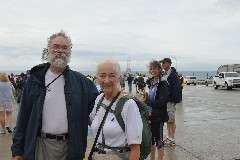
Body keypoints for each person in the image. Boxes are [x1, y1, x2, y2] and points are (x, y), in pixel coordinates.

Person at [11, 30, 99, 160]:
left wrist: (118, 96)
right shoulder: (35, 80)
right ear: (49, 49)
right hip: (41, 144)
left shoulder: (81, 82)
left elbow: (99, 107)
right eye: (56, 46)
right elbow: (23, 116)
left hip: (71, 146)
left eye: (65, 47)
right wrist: (17, 149)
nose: (60, 51)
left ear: (69, 52)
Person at [90, 59, 143, 160]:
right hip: (97, 154)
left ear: (119, 78)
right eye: (102, 75)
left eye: (111, 75)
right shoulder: (99, 99)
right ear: (97, 78)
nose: (106, 80)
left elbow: (135, 149)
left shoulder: (128, 104)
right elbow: (93, 122)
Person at [142, 60, 169, 160]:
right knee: (151, 140)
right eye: (151, 69)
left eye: (155, 68)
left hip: (158, 117)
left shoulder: (163, 84)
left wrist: (148, 101)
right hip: (149, 116)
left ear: (159, 69)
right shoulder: (151, 82)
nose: (152, 70)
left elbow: (162, 102)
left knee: (159, 140)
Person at [160, 58, 181, 147]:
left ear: (169, 63)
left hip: (170, 100)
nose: (162, 65)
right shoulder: (165, 74)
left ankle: (172, 139)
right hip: (166, 100)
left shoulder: (173, 75)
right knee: (168, 119)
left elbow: (177, 88)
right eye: (162, 63)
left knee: (171, 120)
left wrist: (174, 100)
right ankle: (169, 137)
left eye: (164, 63)